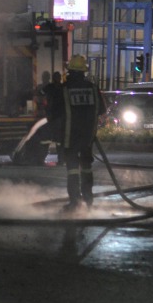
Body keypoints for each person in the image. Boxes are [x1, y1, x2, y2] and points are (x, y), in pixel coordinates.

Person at [61, 54, 104, 209]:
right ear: (84, 72)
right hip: (87, 137)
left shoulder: (64, 89)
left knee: (72, 168)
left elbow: (56, 113)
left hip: (69, 136)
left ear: (70, 71)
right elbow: (101, 110)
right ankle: (88, 200)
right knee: (86, 167)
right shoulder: (92, 88)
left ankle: (74, 202)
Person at [14, 71, 65, 166]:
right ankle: (61, 160)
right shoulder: (62, 88)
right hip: (59, 118)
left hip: (49, 117)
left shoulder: (49, 87)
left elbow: (39, 94)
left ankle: (41, 159)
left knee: (46, 139)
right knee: (59, 141)